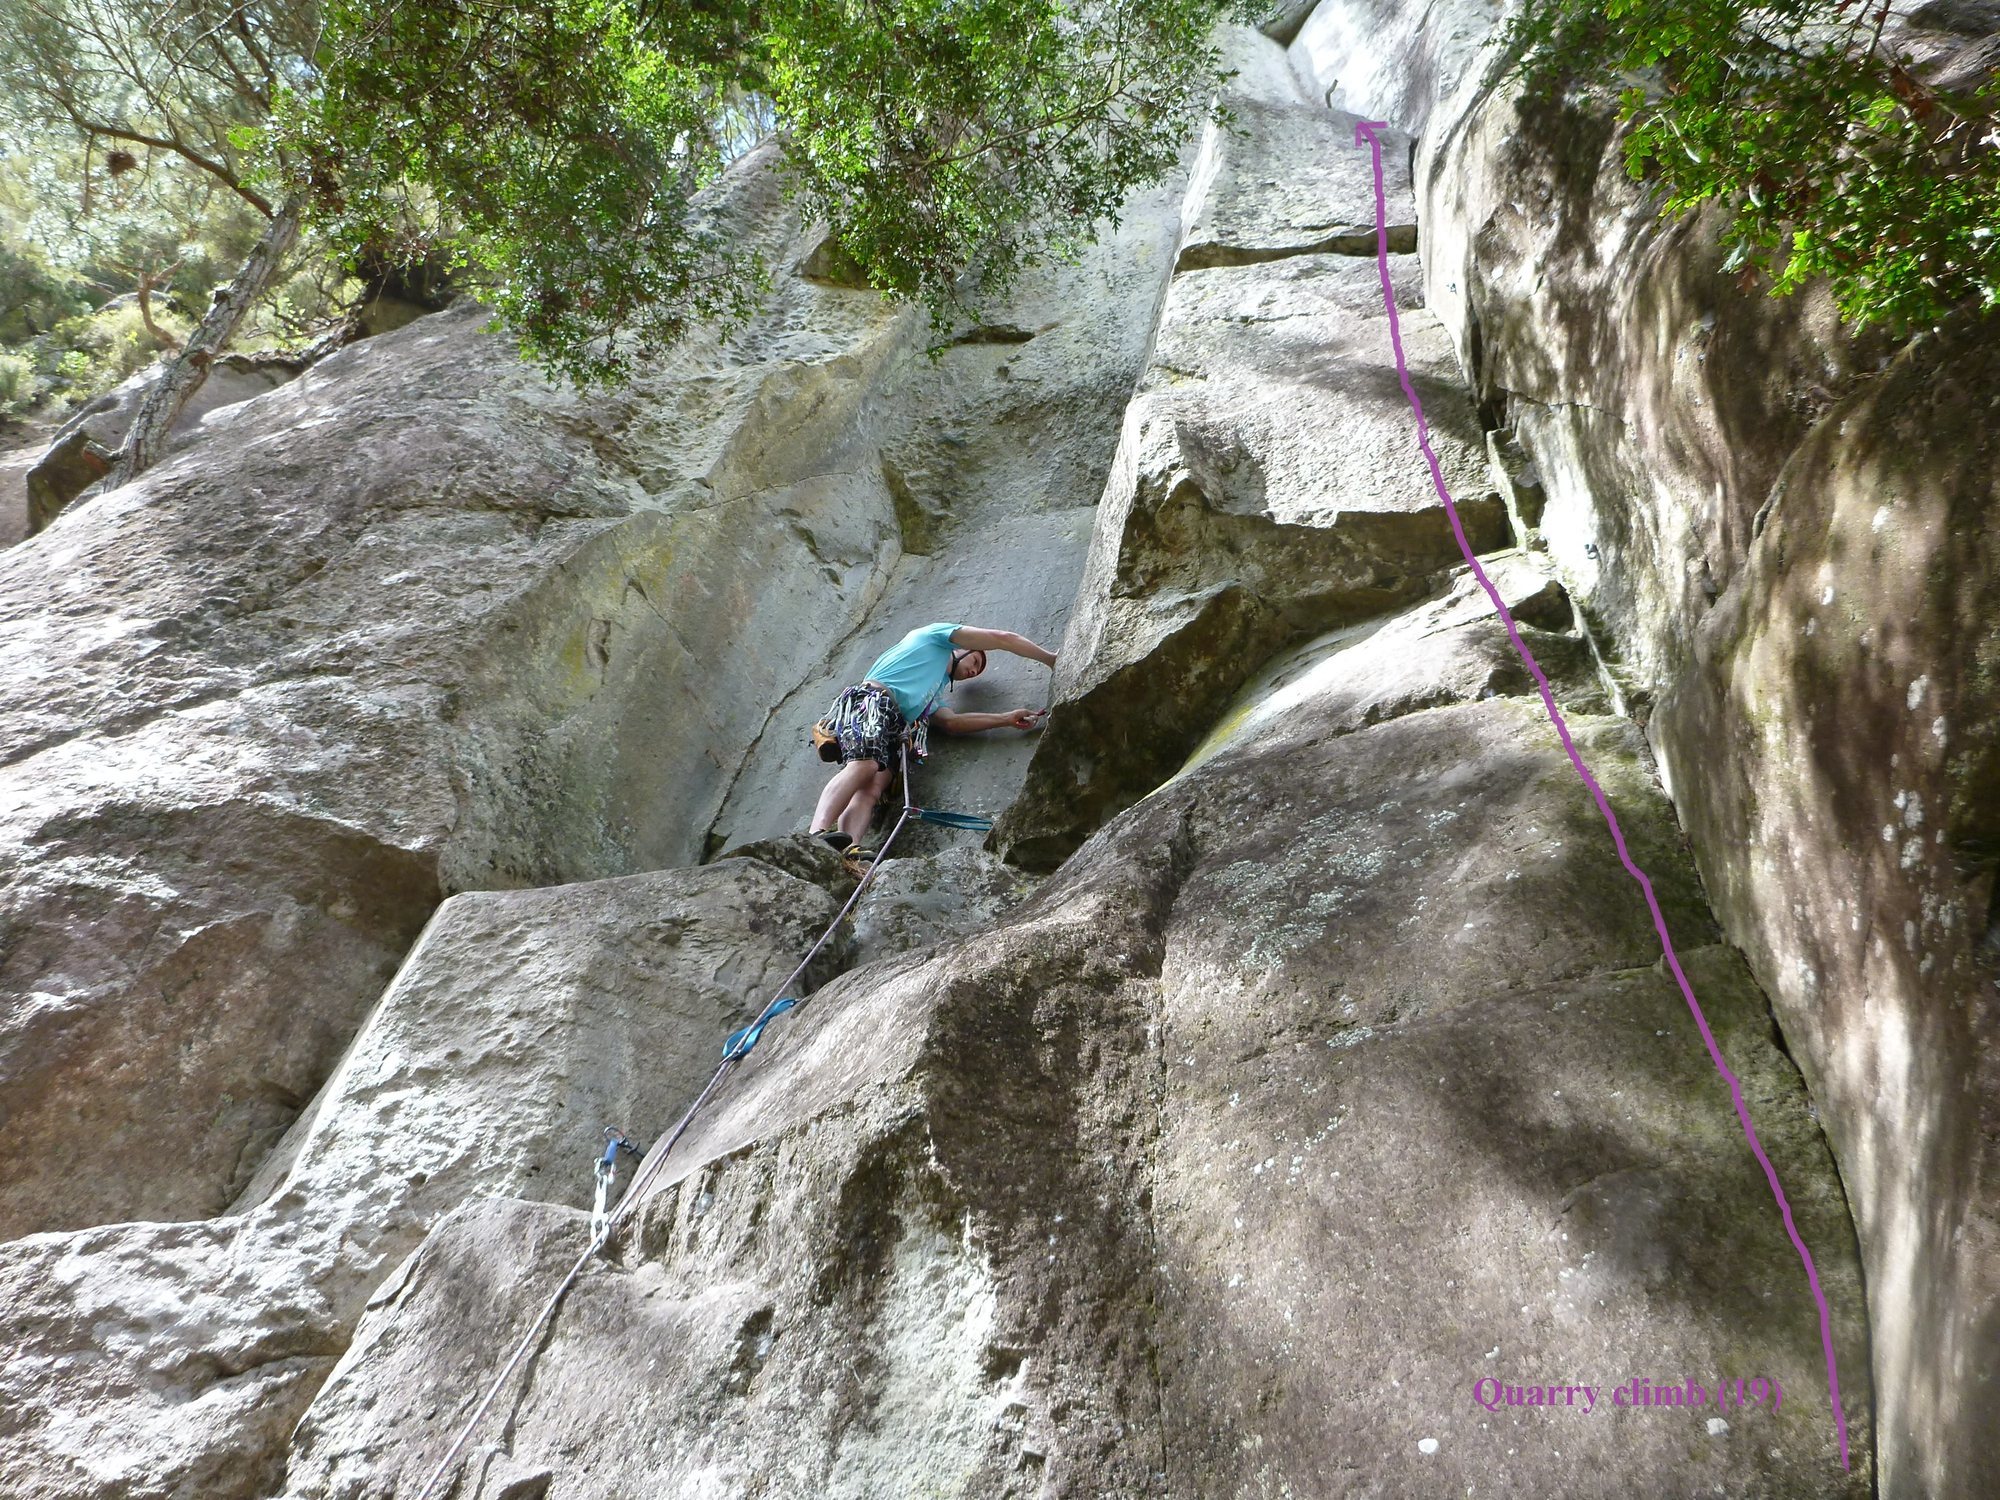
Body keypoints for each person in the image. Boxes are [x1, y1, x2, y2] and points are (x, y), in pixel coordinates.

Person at [810, 622, 1056, 860]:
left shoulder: (934, 694)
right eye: (975, 661)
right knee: (865, 765)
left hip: (894, 726)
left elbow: (952, 723)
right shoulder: (934, 637)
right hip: (873, 701)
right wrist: (1050, 659)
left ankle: (848, 850)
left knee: (871, 788)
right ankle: (816, 836)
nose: (973, 672)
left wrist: (1007, 718)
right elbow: (1002, 637)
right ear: (961, 649)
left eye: (977, 673)